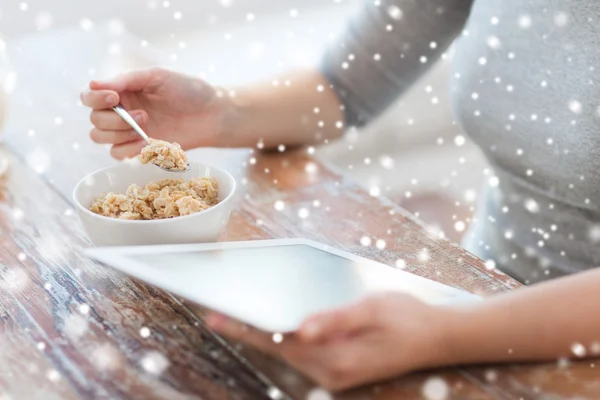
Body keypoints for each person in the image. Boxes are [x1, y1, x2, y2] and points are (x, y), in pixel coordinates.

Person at [81, 0, 600, 391]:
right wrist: (219, 113)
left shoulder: (454, 329)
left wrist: (445, 333)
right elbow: (344, 85)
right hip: (480, 286)